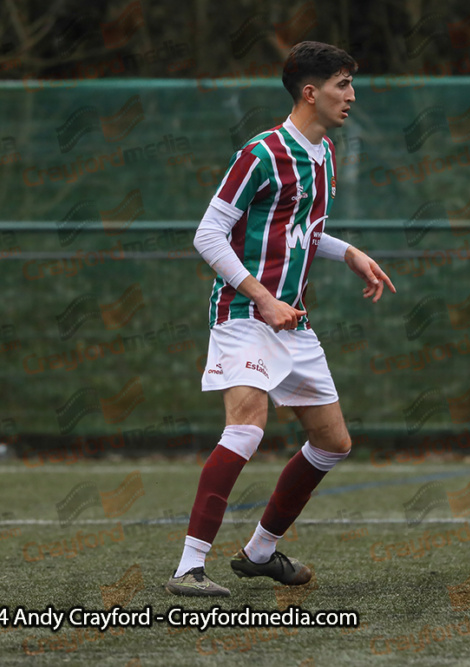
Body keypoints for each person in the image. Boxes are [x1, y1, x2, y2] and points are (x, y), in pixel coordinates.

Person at [166, 41, 396, 596]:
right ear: (311, 93)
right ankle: (188, 568)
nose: (351, 94)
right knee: (246, 428)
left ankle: (260, 552)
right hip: (246, 314)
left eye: (351, 83)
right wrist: (261, 297)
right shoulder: (263, 153)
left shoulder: (323, 155)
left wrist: (349, 254)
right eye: (342, 84)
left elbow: (300, 233)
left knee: (333, 443)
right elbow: (208, 235)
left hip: (291, 322)